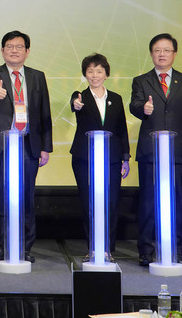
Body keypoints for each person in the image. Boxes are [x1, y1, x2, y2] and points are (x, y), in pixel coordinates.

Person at [0, 30, 53, 263]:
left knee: (27, 196)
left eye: (19, 47)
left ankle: (25, 246)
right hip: (2, 145)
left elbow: (44, 111)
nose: (14, 50)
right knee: (1, 195)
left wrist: (45, 147)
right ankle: (1, 246)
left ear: (27, 52)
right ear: (2, 51)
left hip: (28, 144)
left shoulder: (37, 76)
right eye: (9, 46)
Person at [129, 33, 182, 266]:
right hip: (150, 152)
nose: (162, 54)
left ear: (174, 54)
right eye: (157, 50)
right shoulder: (141, 80)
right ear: (151, 54)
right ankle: (146, 250)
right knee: (148, 203)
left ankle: (178, 250)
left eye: (166, 50)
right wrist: (144, 109)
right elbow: (134, 105)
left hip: (177, 151)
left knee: (177, 202)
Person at [69, 53, 130, 262]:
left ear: (106, 74)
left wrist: (125, 157)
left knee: (110, 203)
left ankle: (107, 249)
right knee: (89, 203)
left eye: (99, 71)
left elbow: (121, 129)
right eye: (90, 71)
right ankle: (93, 248)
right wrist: (75, 104)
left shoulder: (116, 98)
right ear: (85, 74)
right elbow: (74, 104)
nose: (94, 75)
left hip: (111, 158)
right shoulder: (80, 96)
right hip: (84, 158)